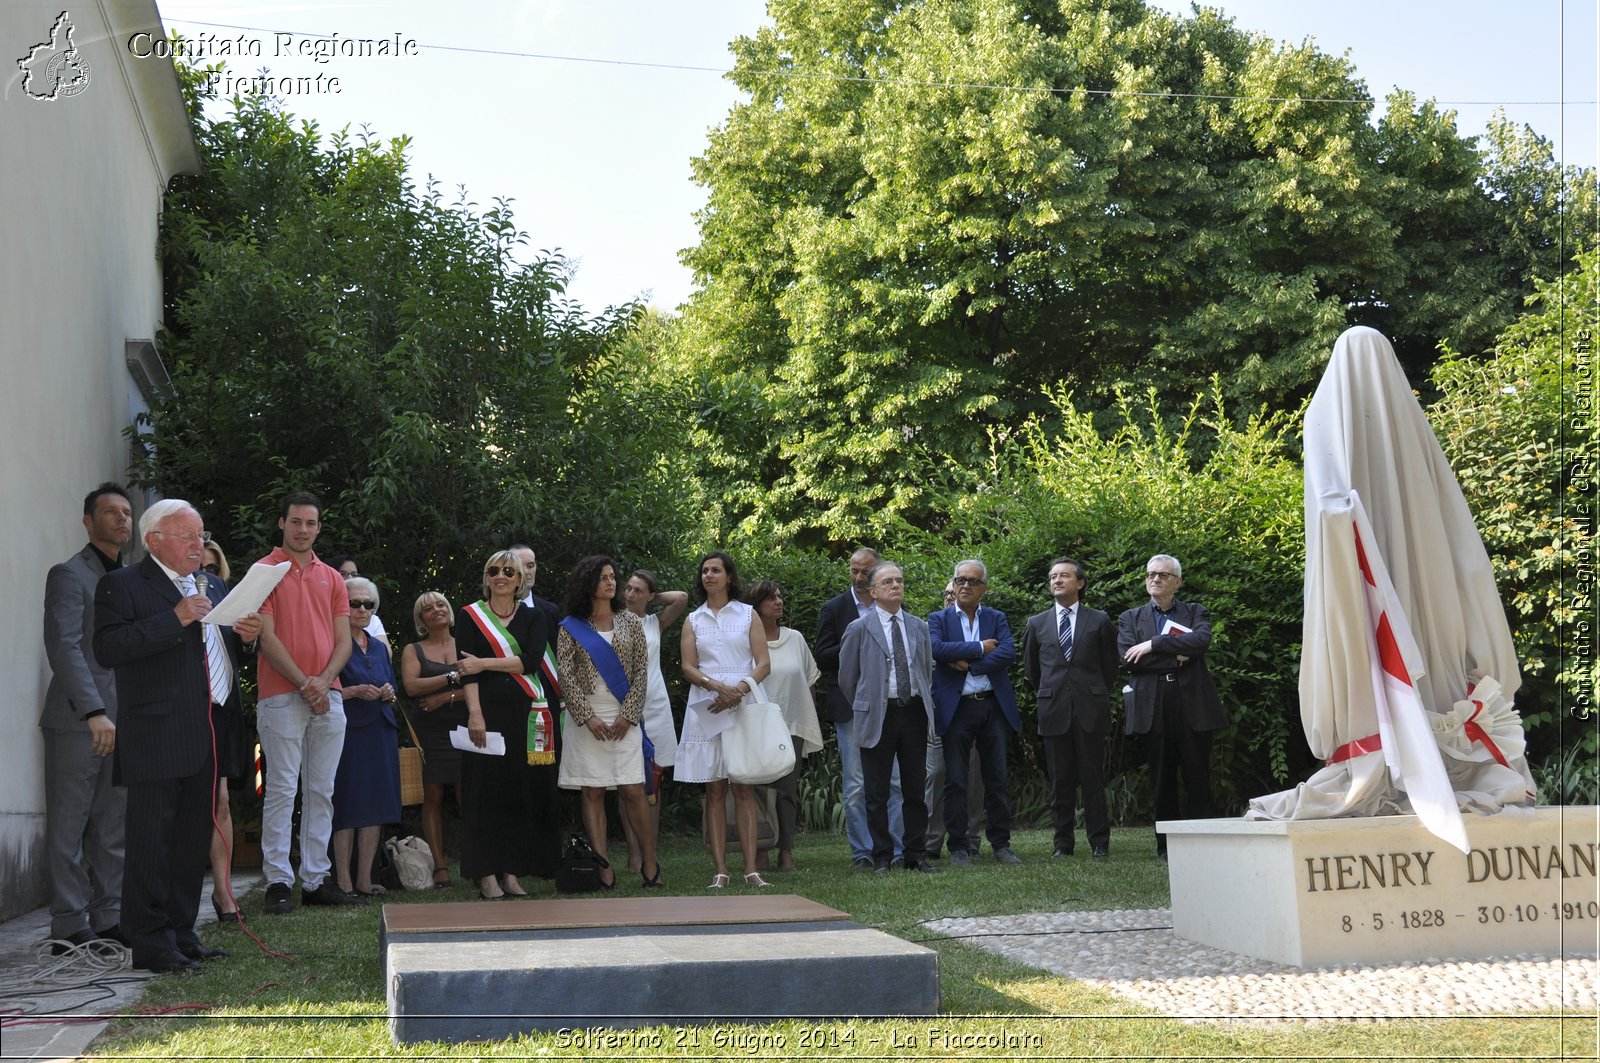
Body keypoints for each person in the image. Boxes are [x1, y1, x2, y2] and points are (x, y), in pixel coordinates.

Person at [93, 500, 260, 974]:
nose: (198, 544)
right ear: (154, 541)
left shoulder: (214, 584)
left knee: (190, 843)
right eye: (187, 535)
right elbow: (108, 647)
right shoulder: (122, 584)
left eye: (201, 534)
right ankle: (149, 944)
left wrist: (247, 637)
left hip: (210, 732)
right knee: (152, 844)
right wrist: (176, 618)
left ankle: (183, 935)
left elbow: (222, 653)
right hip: (156, 736)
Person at [255, 491, 358, 913]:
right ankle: (278, 881)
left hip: (328, 696)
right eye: (296, 522)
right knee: (281, 789)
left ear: (319, 527)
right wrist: (305, 684)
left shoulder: (332, 577)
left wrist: (325, 681)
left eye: (311, 523)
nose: (303, 530)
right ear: (282, 523)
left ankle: (316, 880)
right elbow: (266, 636)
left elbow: (344, 640)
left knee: (322, 791)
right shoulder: (263, 571)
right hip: (282, 695)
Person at [41, 482, 132, 952]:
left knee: (112, 824)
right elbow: (64, 647)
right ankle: (69, 923)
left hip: (122, 720)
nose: (121, 519)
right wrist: (95, 711)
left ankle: (110, 916)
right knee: (70, 824)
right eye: (110, 512)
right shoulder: (68, 574)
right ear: (88, 521)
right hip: (78, 721)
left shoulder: (132, 577)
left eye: (125, 512)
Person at [457, 550, 560, 899]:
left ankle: (512, 873)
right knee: (483, 794)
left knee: (518, 793)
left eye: (508, 571)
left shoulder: (535, 617)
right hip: (484, 713)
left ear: (519, 580)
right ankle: (485, 874)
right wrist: (474, 713)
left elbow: (530, 662)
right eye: (493, 571)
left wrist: (484, 663)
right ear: (486, 578)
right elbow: (464, 671)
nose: (501, 576)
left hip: (525, 713)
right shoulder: (470, 616)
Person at [556, 556, 658, 889]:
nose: (611, 583)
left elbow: (642, 671)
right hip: (587, 718)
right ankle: (603, 867)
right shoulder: (571, 626)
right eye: (604, 578)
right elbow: (565, 674)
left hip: (623, 713)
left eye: (613, 577)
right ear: (588, 583)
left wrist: (628, 716)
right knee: (593, 790)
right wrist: (587, 717)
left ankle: (650, 862)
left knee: (633, 789)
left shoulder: (630, 622)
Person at [1119, 554, 1229, 859]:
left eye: (1163, 575)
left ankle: (1204, 844)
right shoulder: (1130, 618)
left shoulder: (1195, 611)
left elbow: (1201, 641)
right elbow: (1127, 658)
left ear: (1177, 582)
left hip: (1192, 701)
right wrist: (1178, 656)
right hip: (1153, 704)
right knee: (1161, 777)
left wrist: (1154, 645)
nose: (1155, 579)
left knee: (1198, 775)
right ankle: (1166, 847)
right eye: (1150, 574)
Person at [676, 550, 772, 889]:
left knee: (743, 787)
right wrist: (716, 686)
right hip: (708, 703)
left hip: (742, 703)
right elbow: (688, 666)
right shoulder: (694, 619)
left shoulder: (748, 614)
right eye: (704, 570)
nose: (709, 576)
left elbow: (763, 663)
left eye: (716, 570)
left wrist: (739, 690)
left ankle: (751, 869)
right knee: (714, 789)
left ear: (729, 576)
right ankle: (720, 870)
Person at [838, 561, 939, 874]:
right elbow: (847, 677)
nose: (896, 585)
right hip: (876, 715)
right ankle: (881, 855)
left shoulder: (918, 626)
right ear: (873, 591)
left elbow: (925, 669)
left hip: (913, 712)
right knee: (876, 791)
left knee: (914, 788)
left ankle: (914, 854)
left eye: (899, 580)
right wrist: (868, 702)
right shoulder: (858, 628)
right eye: (888, 582)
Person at [1023, 557, 1118, 859]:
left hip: (1090, 708)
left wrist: (1090, 691)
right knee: (1059, 782)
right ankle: (1063, 844)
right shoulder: (1036, 623)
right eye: (1053, 576)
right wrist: (1053, 693)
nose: (1057, 580)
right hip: (1053, 710)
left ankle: (1099, 843)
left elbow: (1110, 667)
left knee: (1093, 779)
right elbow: (1032, 671)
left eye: (1064, 576)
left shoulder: (1099, 619)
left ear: (1080, 583)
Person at [814, 546, 903, 870]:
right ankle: (863, 853)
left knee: (895, 781)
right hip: (851, 706)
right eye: (854, 570)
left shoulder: (893, 605)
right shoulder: (836, 608)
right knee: (855, 785)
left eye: (866, 571)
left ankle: (896, 850)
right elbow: (822, 656)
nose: (859, 577)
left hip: (891, 706)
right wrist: (859, 641)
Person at [929, 560, 1021, 866]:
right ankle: (958, 847)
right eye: (960, 580)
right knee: (955, 780)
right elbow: (937, 650)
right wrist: (981, 647)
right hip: (957, 708)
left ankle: (1001, 845)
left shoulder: (997, 617)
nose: (965, 586)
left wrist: (972, 664)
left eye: (972, 581)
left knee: (996, 778)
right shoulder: (938, 619)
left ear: (984, 588)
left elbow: (1008, 651)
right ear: (953, 585)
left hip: (991, 706)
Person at [745, 580, 824, 872]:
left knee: (787, 790)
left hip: (791, 724)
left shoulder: (796, 639)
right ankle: (762, 850)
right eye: (771, 598)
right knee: (759, 790)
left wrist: (807, 715)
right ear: (756, 607)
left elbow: (810, 681)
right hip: (757, 725)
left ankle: (786, 851)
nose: (778, 602)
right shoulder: (746, 642)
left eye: (780, 596)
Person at [330, 578, 402, 898]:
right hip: (348, 732)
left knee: (375, 806)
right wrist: (354, 691)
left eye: (367, 605)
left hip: (380, 730)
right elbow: (323, 689)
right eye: (354, 604)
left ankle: (364, 878)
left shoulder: (378, 647)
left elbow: (393, 687)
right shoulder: (333, 642)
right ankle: (343, 880)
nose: (361, 610)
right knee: (347, 805)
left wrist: (389, 692)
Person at [619, 569, 687, 873]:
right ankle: (634, 854)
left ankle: (651, 851)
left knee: (653, 783)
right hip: (621, 708)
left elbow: (682, 598)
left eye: (638, 591)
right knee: (626, 782)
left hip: (654, 707)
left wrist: (652, 596)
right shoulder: (611, 622)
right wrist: (643, 593)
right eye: (629, 589)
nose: (630, 595)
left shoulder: (654, 623)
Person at [398, 591, 465, 888]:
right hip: (430, 732)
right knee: (433, 796)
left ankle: (476, 860)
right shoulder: (414, 650)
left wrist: (445, 696)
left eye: (441, 605)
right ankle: (440, 866)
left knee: (469, 795)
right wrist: (453, 678)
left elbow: (485, 683)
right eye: (428, 608)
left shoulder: (469, 643)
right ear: (421, 620)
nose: (436, 610)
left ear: (449, 612)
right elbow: (412, 686)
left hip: (469, 727)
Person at [200, 540, 250, 925]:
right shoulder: (171, 591)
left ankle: (223, 892)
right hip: (184, 709)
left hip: (224, 708)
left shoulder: (223, 594)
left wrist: (249, 635)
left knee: (221, 802)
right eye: (200, 566)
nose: (206, 575)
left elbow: (239, 650)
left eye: (213, 568)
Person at [925, 579, 983, 861]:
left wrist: (958, 654)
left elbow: (985, 656)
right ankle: (931, 841)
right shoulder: (933, 627)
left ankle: (970, 840)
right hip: (938, 716)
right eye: (946, 592)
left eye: (954, 592)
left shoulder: (977, 625)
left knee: (971, 776)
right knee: (936, 775)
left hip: (969, 713)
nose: (950, 596)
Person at [329, 554, 388, 643]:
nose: (349, 578)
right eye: (343, 574)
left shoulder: (372, 619)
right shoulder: (326, 616)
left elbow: (384, 652)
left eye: (354, 574)